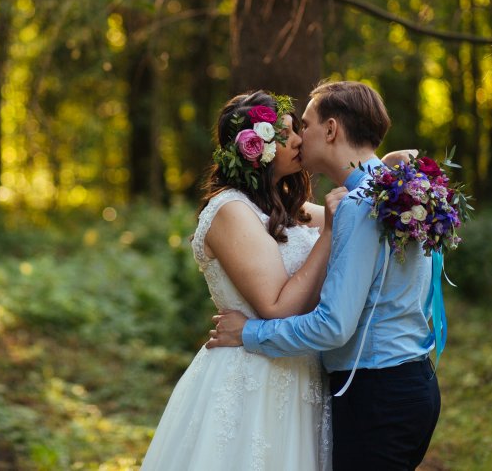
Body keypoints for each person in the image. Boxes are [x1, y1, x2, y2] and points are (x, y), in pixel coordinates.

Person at [140, 90, 414, 471]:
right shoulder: (231, 210)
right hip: (253, 379)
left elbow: (361, 202)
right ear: (257, 150)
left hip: (302, 378)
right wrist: (330, 235)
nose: (301, 139)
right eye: (287, 132)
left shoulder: (287, 209)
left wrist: (384, 165)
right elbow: (277, 307)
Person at [207, 81, 441, 471]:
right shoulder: (402, 192)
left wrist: (247, 332)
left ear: (331, 130)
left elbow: (333, 326)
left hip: (377, 394)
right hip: (410, 381)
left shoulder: (360, 204)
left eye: (307, 125)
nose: (300, 137)